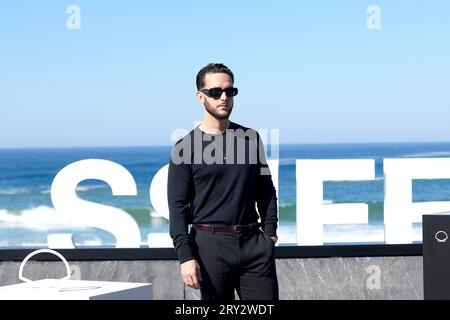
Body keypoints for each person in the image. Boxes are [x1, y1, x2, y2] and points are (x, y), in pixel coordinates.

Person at [168, 63, 279, 300]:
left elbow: (266, 192)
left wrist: (270, 236)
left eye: (230, 91)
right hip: (210, 248)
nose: (224, 97)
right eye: (215, 92)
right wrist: (186, 257)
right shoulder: (185, 147)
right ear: (200, 96)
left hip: (254, 246)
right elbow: (177, 208)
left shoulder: (250, 138)